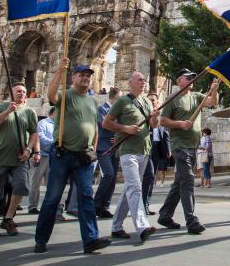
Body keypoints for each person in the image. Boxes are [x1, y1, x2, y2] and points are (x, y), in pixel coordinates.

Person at [33, 60, 110, 255]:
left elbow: (94, 126)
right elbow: (50, 95)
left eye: (88, 75)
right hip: (63, 153)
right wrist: (59, 70)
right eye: (82, 74)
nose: (86, 78)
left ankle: (91, 240)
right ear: (74, 77)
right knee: (52, 197)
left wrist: (94, 149)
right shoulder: (66, 95)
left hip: (84, 156)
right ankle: (41, 239)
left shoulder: (93, 101)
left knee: (85, 197)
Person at [157, 70, 218, 235]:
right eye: (188, 78)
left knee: (179, 183)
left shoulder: (197, 96)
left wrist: (214, 89)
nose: (192, 79)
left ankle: (165, 215)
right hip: (179, 145)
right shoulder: (172, 99)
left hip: (193, 145)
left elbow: (212, 102)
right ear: (179, 81)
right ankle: (191, 220)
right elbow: (162, 121)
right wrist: (180, 124)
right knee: (188, 180)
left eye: (193, 77)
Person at [104, 71, 160, 242]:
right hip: (128, 151)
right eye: (140, 79)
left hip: (144, 150)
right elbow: (106, 122)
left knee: (130, 188)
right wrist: (125, 129)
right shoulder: (122, 101)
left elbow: (153, 125)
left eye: (144, 79)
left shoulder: (145, 102)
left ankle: (116, 226)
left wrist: (155, 117)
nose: (144, 82)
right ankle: (142, 227)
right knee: (135, 188)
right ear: (131, 83)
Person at [0, 83, 40, 237]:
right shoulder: (0, 107)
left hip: (20, 157)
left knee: (21, 185)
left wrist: (30, 150)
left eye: (24, 91)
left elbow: (34, 133)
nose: (22, 94)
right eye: (18, 91)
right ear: (11, 93)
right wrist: (7, 111)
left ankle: (8, 218)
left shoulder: (29, 111)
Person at [93, 87, 119, 219]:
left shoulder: (119, 112)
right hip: (104, 147)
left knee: (113, 177)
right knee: (108, 174)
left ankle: (105, 206)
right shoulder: (102, 109)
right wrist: (118, 131)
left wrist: (118, 135)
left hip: (115, 147)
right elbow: (104, 124)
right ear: (114, 97)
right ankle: (96, 204)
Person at [29, 106, 57, 215]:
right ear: (54, 112)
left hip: (53, 157)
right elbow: (40, 138)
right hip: (42, 155)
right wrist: (55, 143)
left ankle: (48, 205)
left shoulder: (58, 125)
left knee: (51, 183)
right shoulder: (43, 123)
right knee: (35, 182)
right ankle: (32, 206)